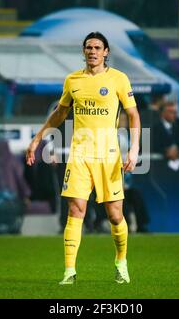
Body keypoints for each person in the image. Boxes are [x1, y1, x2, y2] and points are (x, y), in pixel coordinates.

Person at [26, 32, 141, 285]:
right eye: (88, 47)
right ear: (84, 51)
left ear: (106, 51)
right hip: (79, 155)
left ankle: (121, 262)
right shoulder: (73, 80)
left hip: (109, 156)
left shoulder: (119, 79)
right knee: (76, 209)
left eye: (97, 47)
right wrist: (37, 139)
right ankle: (69, 271)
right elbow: (59, 113)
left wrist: (133, 150)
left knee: (114, 215)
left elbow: (133, 115)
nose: (92, 51)